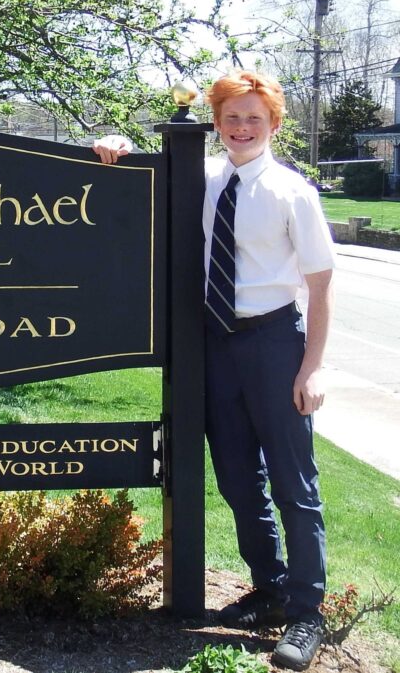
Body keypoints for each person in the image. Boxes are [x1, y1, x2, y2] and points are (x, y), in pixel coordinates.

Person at [95, 70, 334, 671]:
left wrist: (313, 369)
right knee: (235, 480)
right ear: (216, 123)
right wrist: (116, 147)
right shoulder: (203, 177)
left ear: (274, 124)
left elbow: (322, 288)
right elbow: (147, 174)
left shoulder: (291, 192)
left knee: (293, 484)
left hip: (275, 341)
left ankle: (307, 613)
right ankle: (270, 587)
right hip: (216, 346)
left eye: (254, 118)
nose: (242, 127)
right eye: (231, 117)